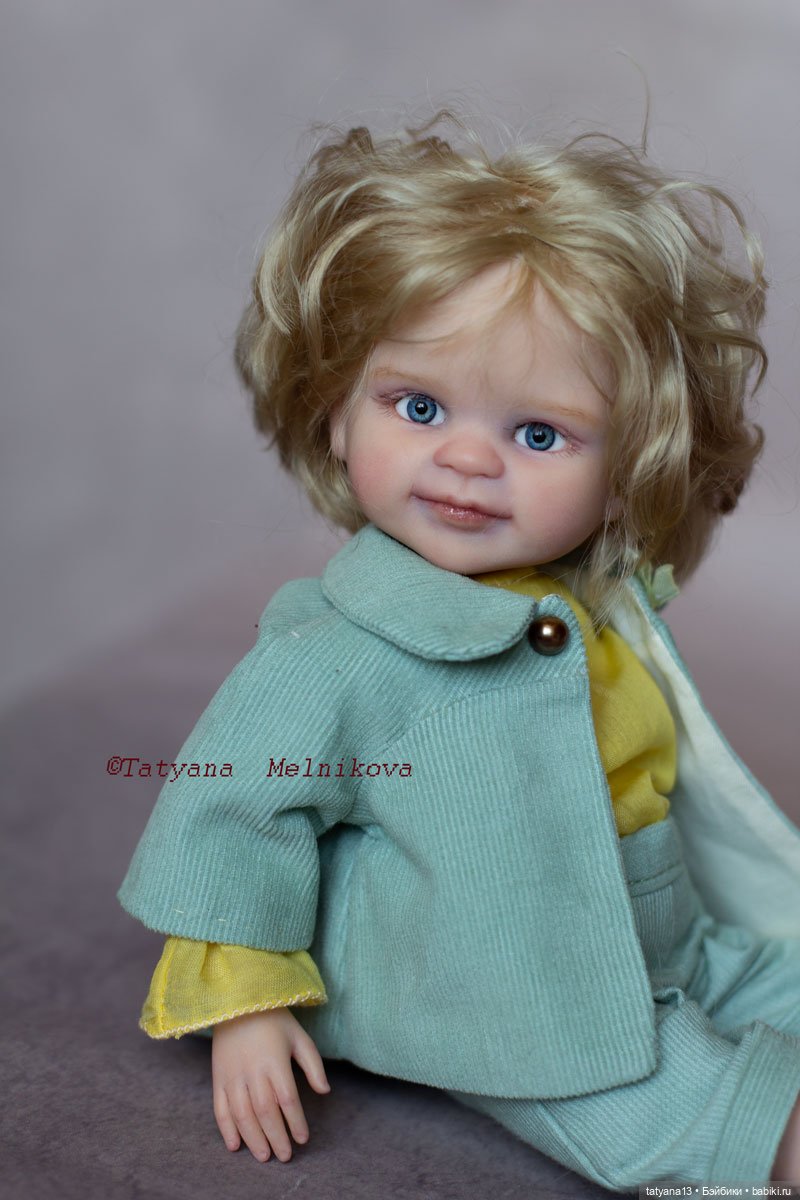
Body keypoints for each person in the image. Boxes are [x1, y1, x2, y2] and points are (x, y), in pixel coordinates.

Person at [117, 113, 800, 1190]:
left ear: (625, 469)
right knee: (692, 1113)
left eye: (539, 434)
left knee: (780, 970)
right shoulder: (336, 657)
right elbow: (230, 813)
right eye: (420, 406)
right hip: (502, 988)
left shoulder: (582, 603)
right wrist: (246, 1003)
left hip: (660, 930)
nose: (468, 461)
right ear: (335, 412)